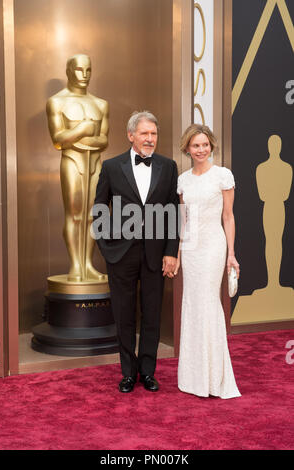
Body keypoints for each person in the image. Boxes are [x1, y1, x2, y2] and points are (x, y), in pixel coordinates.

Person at [93, 111, 179, 392]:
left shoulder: (168, 166)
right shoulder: (111, 166)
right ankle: (128, 373)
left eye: (153, 134)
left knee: (152, 314)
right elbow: (99, 209)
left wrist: (171, 251)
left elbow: (173, 213)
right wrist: (106, 247)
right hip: (121, 253)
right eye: (144, 133)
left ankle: (148, 372)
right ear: (131, 135)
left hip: (156, 253)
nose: (150, 139)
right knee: (124, 314)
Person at [175, 124, 241, 399]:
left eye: (205, 145)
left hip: (213, 245)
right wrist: (176, 253)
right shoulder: (183, 180)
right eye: (195, 145)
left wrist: (231, 254)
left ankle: (215, 377)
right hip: (190, 248)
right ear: (187, 149)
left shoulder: (223, 176)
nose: (201, 150)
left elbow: (228, 216)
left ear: (211, 146)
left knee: (208, 302)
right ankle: (193, 376)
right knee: (191, 304)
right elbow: (182, 221)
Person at [46, 54, 109, 282]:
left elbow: (104, 141)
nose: (84, 75)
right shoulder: (56, 102)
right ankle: (75, 265)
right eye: (79, 70)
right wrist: (82, 130)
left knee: (92, 214)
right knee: (74, 214)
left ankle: (88, 264)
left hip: (94, 163)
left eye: (88, 70)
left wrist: (79, 139)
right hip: (72, 162)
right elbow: (57, 139)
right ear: (68, 71)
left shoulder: (100, 104)